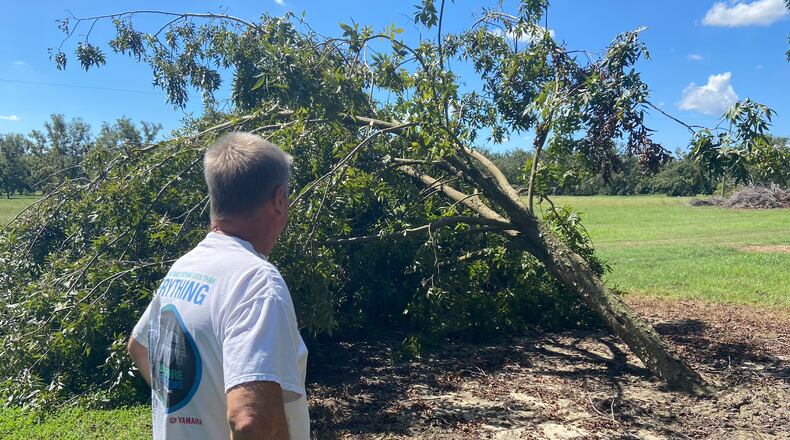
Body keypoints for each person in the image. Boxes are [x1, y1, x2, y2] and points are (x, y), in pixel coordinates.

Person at [127, 132, 309, 439]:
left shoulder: (186, 266)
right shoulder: (256, 282)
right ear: (279, 200)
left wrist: (190, 416)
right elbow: (250, 420)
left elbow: (139, 346)